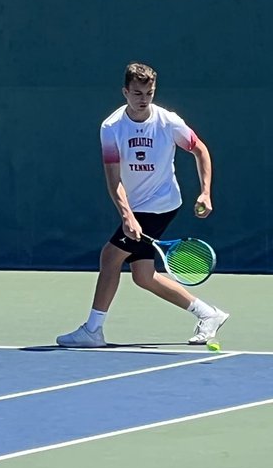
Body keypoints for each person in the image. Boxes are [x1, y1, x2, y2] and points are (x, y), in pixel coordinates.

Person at [57, 62, 228, 349]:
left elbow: (200, 150)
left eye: (149, 93)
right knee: (143, 276)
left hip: (161, 204)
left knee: (110, 256)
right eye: (137, 93)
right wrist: (127, 215)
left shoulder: (169, 122)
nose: (143, 99)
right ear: (125, 92)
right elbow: (114, 179)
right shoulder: (111, 127)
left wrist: (205, 192)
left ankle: (93, 330)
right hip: (135, 206)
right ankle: (208, 314)